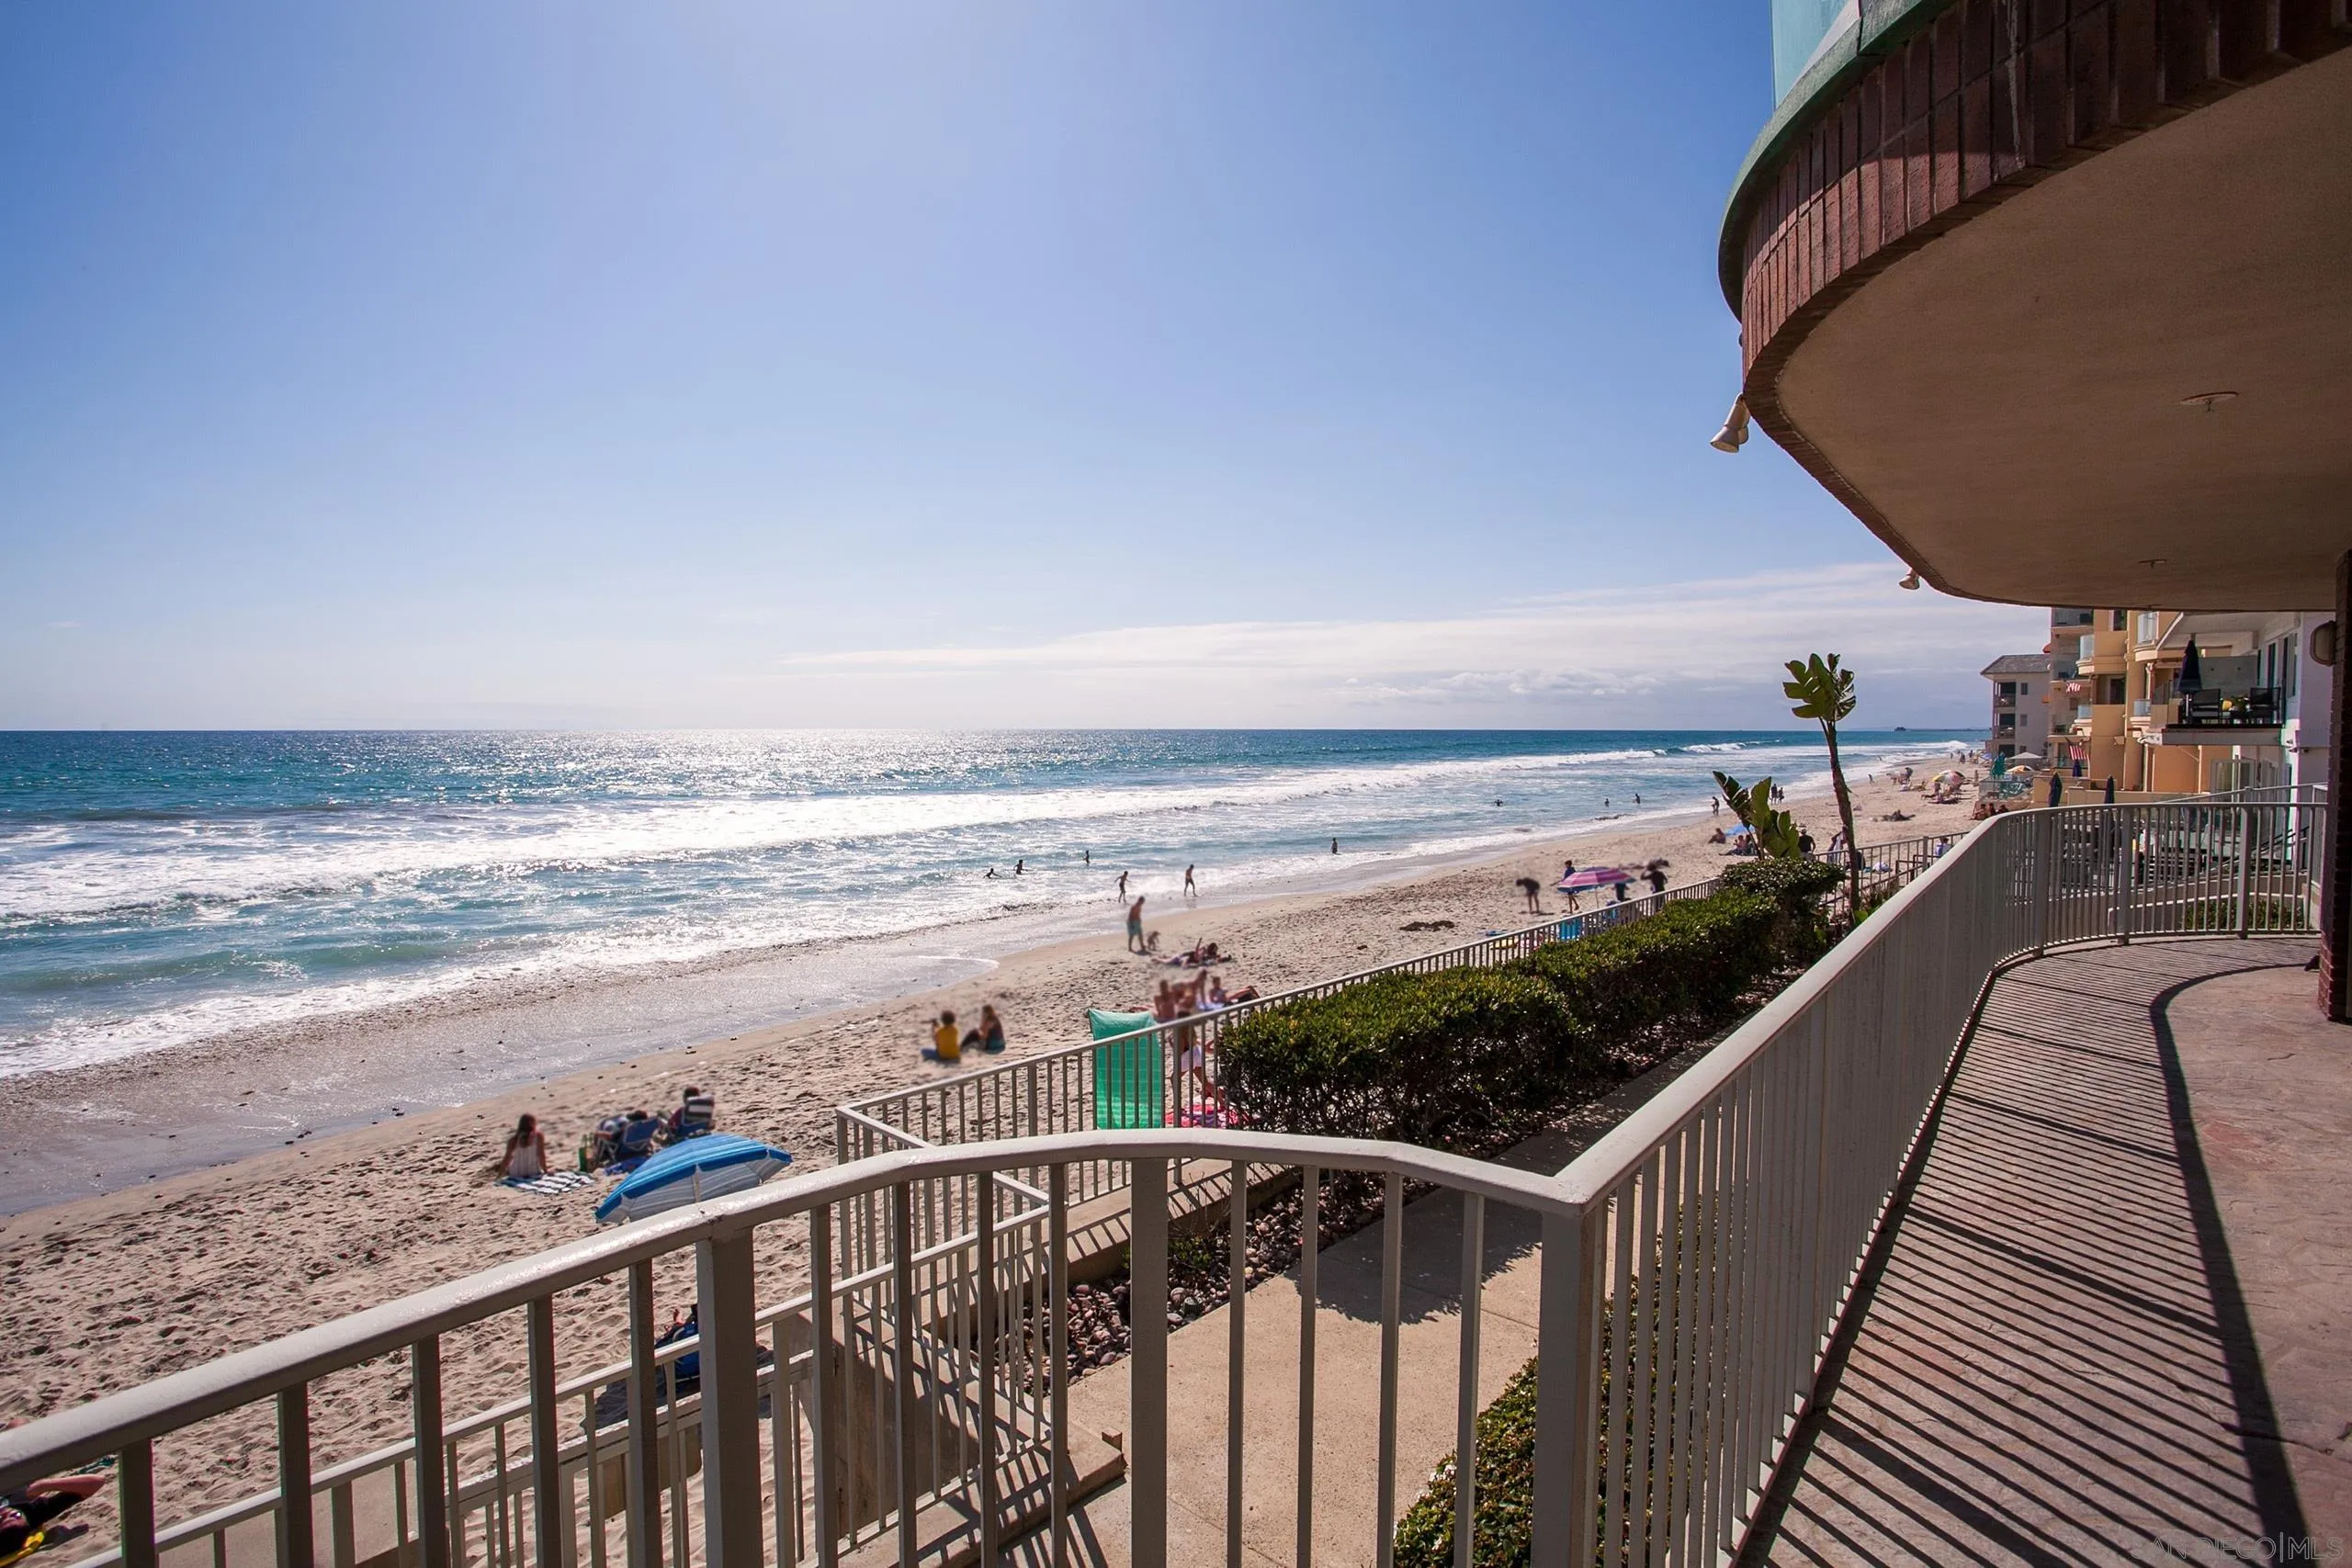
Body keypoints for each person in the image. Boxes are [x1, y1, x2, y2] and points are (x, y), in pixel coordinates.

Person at [0, 1470, 107, 1562]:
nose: (5, 1513)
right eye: (17, 1515)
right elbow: (97, 1482)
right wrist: (45, 1485)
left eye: (0, 1519)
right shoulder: (35, 1511)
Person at [502, 1114, 548, 1180]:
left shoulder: (514, 1139)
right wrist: (545, 1171)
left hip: (516, 1173)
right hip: (533, 1171)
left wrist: (500, 1175)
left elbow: (507, 1158)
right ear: (532, 1123)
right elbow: (541, 1155)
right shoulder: (538, 1136)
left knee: (512, 1164)